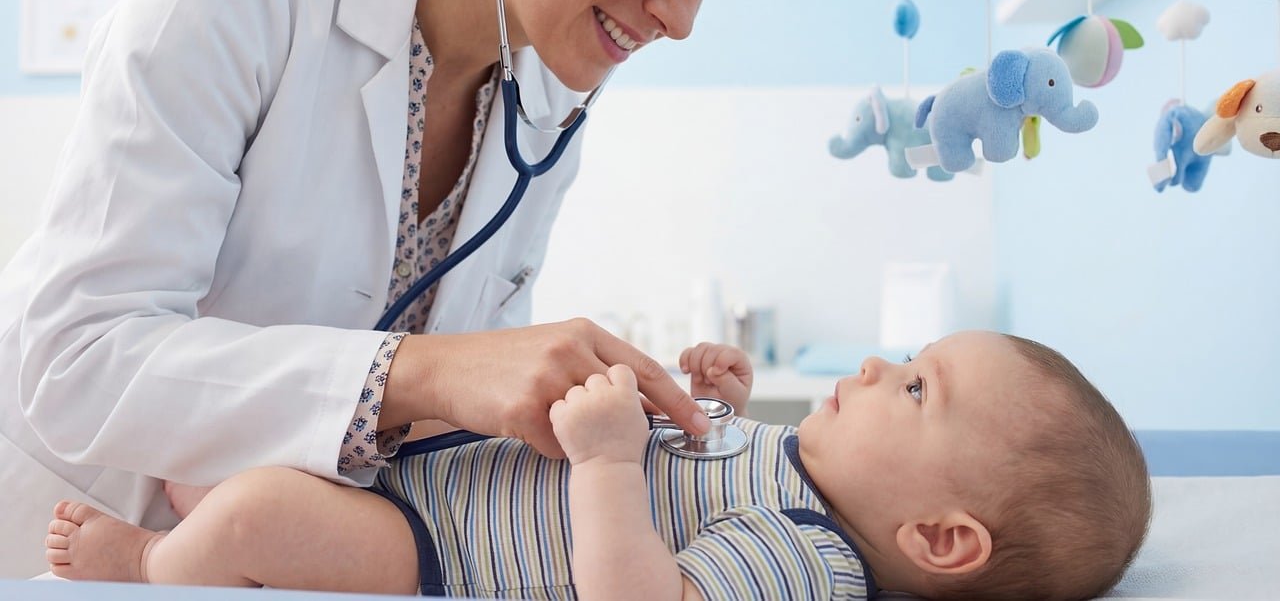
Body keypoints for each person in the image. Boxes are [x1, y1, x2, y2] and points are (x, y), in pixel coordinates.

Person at [0, 0, 803, 577]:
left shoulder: (547, 109)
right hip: (67, 534)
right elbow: (77, 360)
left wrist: (603, 423)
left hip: (274, 560)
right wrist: (422, 372)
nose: (684, 18)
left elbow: (450, 423)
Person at [46, 331, 1152, 600]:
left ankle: (148, 560)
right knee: (263, 443)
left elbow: (636, 593)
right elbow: (703, 460)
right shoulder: (797, 466)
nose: (874, 363)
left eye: (915, 388)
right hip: (452, 472)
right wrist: (709, 396)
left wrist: (611, 459)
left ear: (940, 539)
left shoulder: (810, 558)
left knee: (251, 517)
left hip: (437, 551)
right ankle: (194, 514)